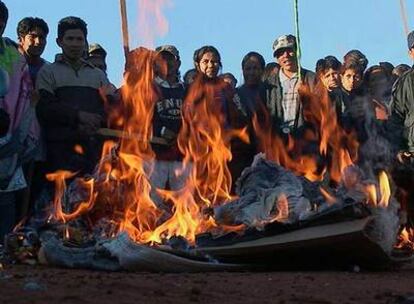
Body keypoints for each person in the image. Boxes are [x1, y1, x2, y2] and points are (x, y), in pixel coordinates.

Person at [36, 16, 112, 176]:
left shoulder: (98, 75)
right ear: (59, 41)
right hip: (59, 154)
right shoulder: (48, 72)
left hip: (93, 152)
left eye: (79, 39)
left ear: (85, 42)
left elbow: (109, 108)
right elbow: (45, 109)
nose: (75, 44)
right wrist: (78, 117)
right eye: (70, 39)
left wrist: (98, 119)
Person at [0, 1, 39, 242]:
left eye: (1, 19)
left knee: (5, 206)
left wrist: (24, 136)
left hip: (8, 142)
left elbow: (26, 100)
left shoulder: (14, 56)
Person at [149, 45, 187, 211]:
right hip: (156, 156)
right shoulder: (148, 88)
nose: (166, 63)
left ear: (178, 63)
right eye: (161, 59)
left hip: (182, 156)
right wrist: (162, 131)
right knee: (153, 203)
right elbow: (142, 118)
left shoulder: (186, 89)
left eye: (170, 59)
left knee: (184, 204)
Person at [264, 34, 316, 136]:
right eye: (280, 53)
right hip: (278, 142)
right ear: (276, 58)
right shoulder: (268, 85)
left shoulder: (311, 79)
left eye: (289, 50)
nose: (286, 55)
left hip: (306, 140)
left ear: (297, 51)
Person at [229, 51, 267, 186]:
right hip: (242, 154)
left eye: (256, 68)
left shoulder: (270, 91)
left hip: (267, 151)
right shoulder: (235, 95)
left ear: (263, 70)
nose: (251, 72)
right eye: (248, 68)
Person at [17, 17, 49, 84]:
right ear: (21, 40)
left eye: (41, 37)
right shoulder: (10, 67)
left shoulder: (49, 71)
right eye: (33, 37)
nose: (38, 41)